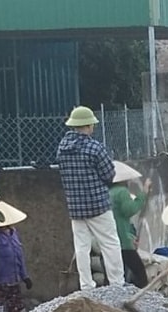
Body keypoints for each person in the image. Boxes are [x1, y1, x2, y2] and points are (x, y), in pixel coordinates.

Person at [56, 106, 126, 290]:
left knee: (81, 247)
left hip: (75, 207)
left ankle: (86, 285)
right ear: (87, 125)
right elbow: (109, 174)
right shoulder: (95, 147)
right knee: (110, 243)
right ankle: (117, 283)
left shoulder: (62, 148)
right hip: (98, 205)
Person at [109, 161, 149, 288]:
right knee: (139, 272)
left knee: (115, 269)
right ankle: (142, 295)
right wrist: (143, 194)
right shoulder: (121, 192)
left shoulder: (108, 192)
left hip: (111, 236)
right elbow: (129, 210)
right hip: (123, 238)